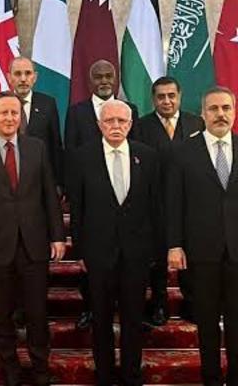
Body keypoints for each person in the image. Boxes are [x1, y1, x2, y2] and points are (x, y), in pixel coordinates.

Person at [167, 87, 238, 386]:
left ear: (234, 112)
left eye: (226, 108)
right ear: (203, 113)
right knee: (206, 322)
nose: (220, 114)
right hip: (200, 252)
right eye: (213, 109)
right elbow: (174, 203)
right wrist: (174, 244)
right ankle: (211, 379)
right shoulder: (183, 152)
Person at [0, 91, 65, 386]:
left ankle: (40, 368)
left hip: (34, 244)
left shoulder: (37, 147)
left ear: (21, 116)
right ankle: (10, 370)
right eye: (3, 113)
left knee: (37, 312)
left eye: (14, 113)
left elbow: (49, 195)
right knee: (1, 314)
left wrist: (58, 236)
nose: (9, 118)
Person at [68, 100, 160, 386]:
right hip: (98, 253)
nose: (116, 126)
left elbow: (156, 206)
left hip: (137, 253)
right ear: (99, 125)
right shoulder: (82, 157)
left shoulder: (148, 156)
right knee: (101, 318)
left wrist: (155, 249)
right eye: (109, 121)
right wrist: (80, 250)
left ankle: (132, 374)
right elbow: (78, 208)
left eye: (122, 121)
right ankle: (105, 375)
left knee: (133, 318)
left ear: (130, 124)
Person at [64, 59, 140, 330]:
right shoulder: (77, 112)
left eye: (109, 76)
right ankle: (90, 309)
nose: (105, 81)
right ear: (90, 81)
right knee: (92, 268)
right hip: (91, 196)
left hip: (125, 199)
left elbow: (136, 148)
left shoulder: (130, 110)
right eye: (99, 77)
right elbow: (70, 150)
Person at [135, 76, 205, 326]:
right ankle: (159, 305)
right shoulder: (141, 126)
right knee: (157, 258)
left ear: (179, 96)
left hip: (190, 202)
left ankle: (192, 302)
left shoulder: (196, 123)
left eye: (171, 95)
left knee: (191, 254)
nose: (167, 101)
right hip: (155, 203)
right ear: (153, 99)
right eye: (161, 96)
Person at [0, 56, 64, 184]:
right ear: (9, 77)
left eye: (28, 73)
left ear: (35, 77)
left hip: (39, 179)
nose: (23, 79)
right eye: (17, 74)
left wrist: (58, 183)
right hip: (5, 177)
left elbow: (55, 146)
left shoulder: (48, 104)